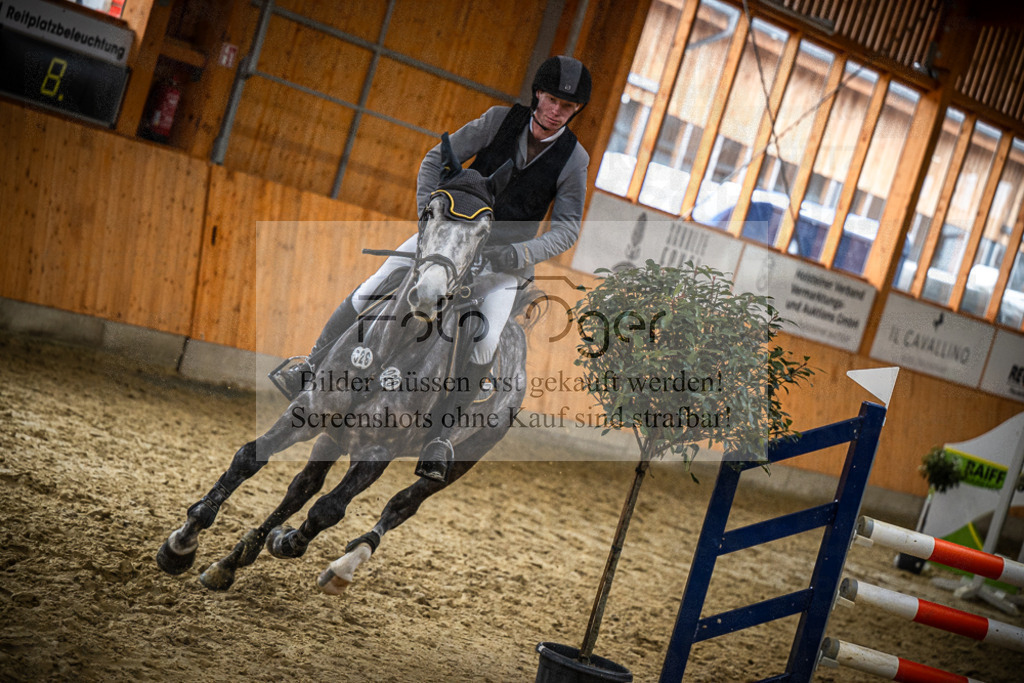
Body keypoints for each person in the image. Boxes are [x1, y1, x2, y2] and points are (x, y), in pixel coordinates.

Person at [272, 55, 591, 483]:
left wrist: (518, 255)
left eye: (566, 107)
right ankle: (309, 368)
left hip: (501, 264)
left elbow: (568, 229)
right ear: (539, 94)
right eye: (552, 99)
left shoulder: (573, 159)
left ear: (574, 112)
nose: (556, 111)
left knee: (486, 339)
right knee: (371, 288)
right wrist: (431, 223)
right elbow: (432, 160)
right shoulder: (499, 120)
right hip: (447, 241)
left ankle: (440, 437)